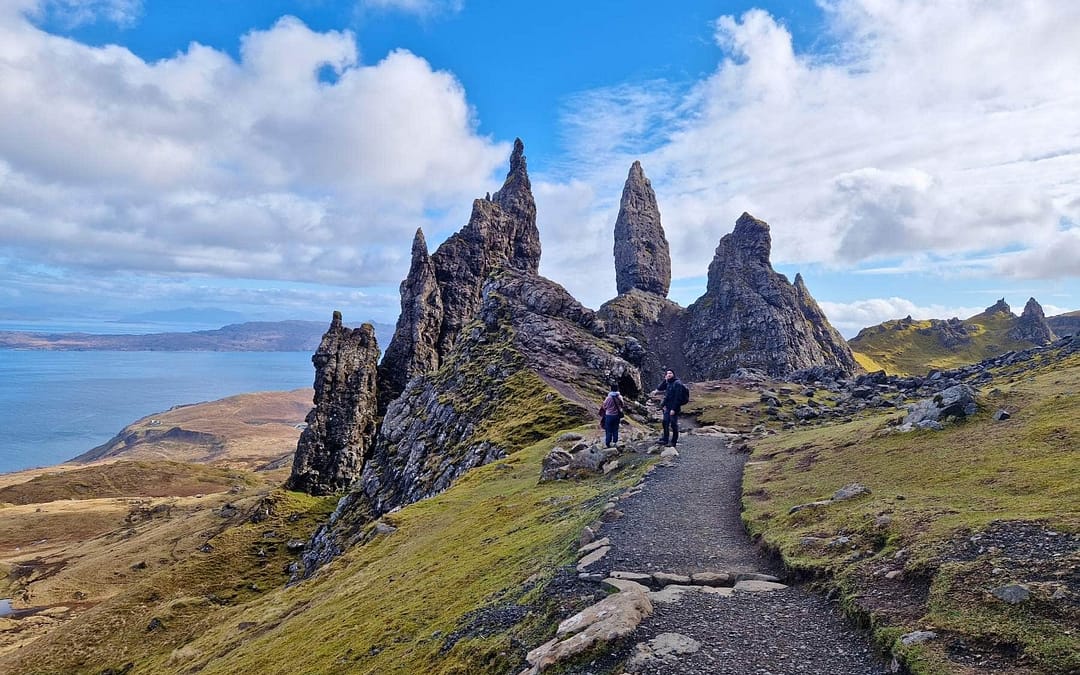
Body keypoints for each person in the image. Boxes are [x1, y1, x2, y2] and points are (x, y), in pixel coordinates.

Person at [654, 369, 687, 448]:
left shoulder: (677, 383)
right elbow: (659, 388)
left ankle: (673, 442)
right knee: (665, 422)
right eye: (667, 373)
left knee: (673, 424)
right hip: (667, 407)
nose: (669, 374)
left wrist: (674, 409)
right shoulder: (668, 382)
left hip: (674, 407)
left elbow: (677, 397)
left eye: (670, 373)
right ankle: (665, 439)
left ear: (673, 374)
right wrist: (665, 380)